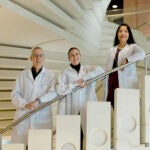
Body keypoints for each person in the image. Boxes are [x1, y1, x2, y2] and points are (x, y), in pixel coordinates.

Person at [56, 47, 104, 149]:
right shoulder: (64, 73)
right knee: (74, 137)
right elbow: (59, 89)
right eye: (72, 55)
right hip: (72, 109)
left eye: (77, 54)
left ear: (80, 56)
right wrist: (75, 84)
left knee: (88, 135)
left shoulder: (87, 69)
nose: (75, 57)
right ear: (69, 58)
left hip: (86, 107)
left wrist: (85, 78)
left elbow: (101, 71)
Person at [11, 47, 57, 146]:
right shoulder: (22, 75)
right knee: (21, 145)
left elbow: (53, 93)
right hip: (24, 115)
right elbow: (14, 95)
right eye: (35, 55)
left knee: (40, 145)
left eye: (40, 55)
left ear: (44, 58)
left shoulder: (50, 75)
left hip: (42, 116)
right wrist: (25, 104)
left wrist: (38, 101)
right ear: (31, 58)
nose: (38, 58)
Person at [105, 23, 145, 107]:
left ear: (129, 34)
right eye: (120, 31)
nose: (123, 33)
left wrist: (128, 59)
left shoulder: (132, 47)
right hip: (111, 81)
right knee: (114, 106)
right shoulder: (111, 50)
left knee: (125, 105)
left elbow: (142, 54)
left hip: (125, 81)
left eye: (125, 31)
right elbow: (107, 68)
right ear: (117, 34)